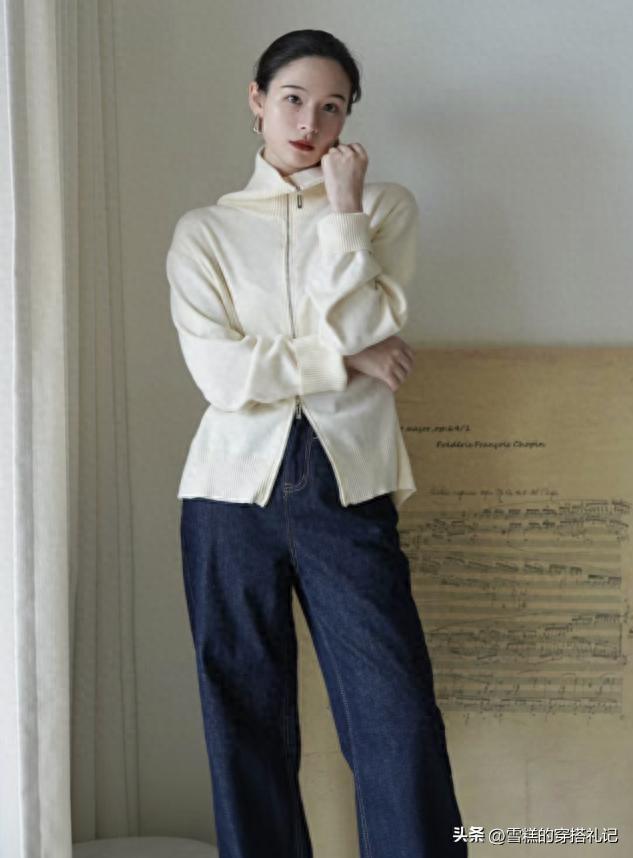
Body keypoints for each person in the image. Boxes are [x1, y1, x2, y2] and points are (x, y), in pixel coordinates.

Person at [167, 28, 467, 858]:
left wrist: (344, 212)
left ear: (347, 121)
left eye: (332, 108)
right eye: (293, 99)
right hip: (229, 495)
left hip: (347, 483)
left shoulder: (381, 209)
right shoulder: (204, 232)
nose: (310, 123)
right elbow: (222, 376)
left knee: (395, 715)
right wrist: (342, 360)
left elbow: (374, 329)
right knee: (244, 718)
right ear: (257, 100)